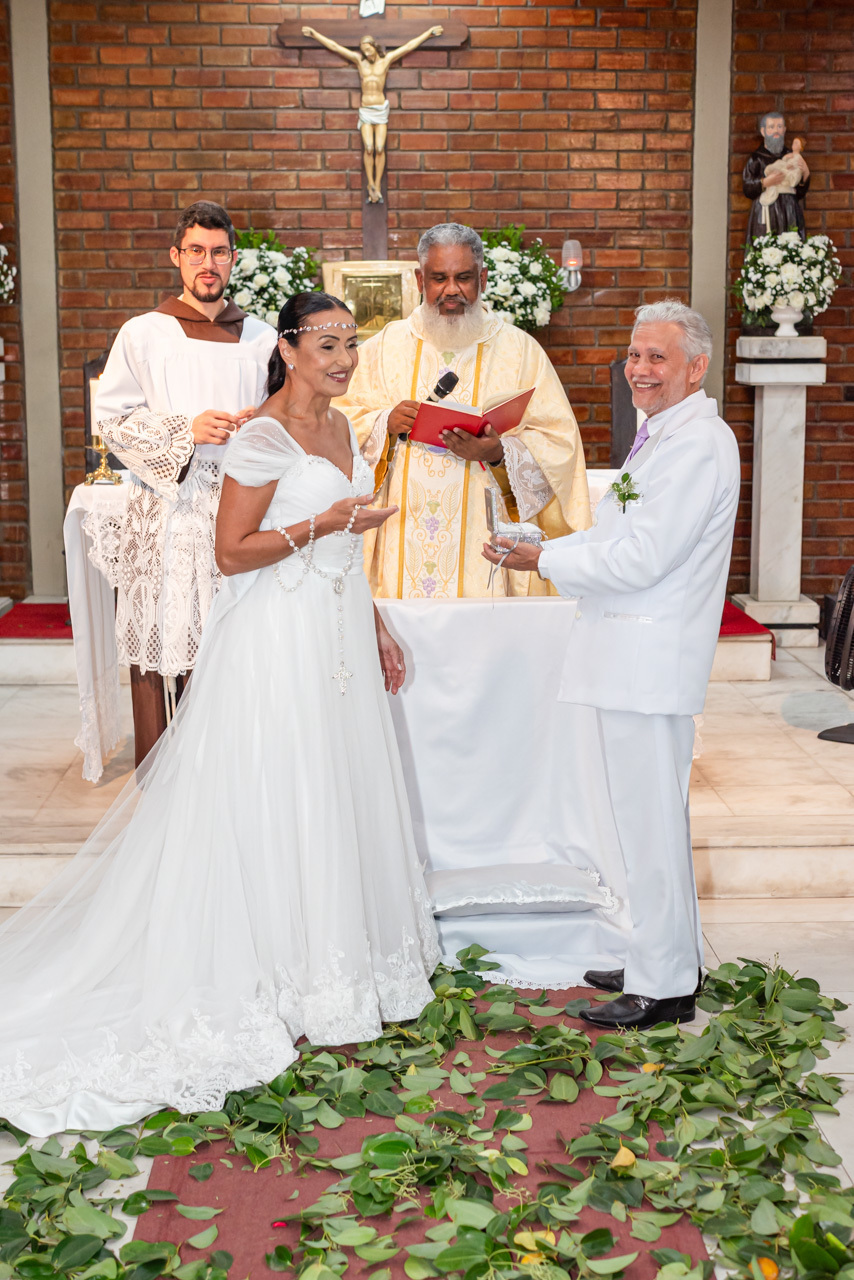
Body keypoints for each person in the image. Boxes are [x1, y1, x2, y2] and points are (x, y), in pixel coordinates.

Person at [0, 292, 439, 1137]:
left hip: (338, 628)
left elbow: (349, 542)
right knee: (286, 788)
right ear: (289, 347)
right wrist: (322, 521)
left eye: (353, 344)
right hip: (276, 638)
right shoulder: (260, 435)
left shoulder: (346, 431)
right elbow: (231, 554)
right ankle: (281, 970)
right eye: (327, 344)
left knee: (338, 786)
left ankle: (338, 965)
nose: (344, 359)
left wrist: (376, 621)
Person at [484, 300, 740, 1030]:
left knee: (652, 821)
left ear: (696, 366)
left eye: (657, 358)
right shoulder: (660, 437)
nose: (639, 369)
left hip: (650, 655)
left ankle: (663, 987)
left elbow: (645, 558)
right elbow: (622, 530)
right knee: (640, 820)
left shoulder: (697, 445)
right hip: (628, 651)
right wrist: (554, 545)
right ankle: (662, 955)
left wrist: (546, 557)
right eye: (633, 355)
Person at [89, 200, 277, 766]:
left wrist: (255, 427)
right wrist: (184, 430)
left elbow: (283, 419)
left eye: (218, 252)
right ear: (177, 257)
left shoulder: (263, 338)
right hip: (171, 507)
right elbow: (112, 418)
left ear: (233, 259)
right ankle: (161, 777)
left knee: (233, 641)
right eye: (195, 251)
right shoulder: (145, 333)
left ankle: (231, 772)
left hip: (241, 509)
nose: (208, 263)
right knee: (166, 640)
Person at [335, 223, 591, 598]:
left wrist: (500, 451)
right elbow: (336, 418)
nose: (451, 290)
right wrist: (382, 423)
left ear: (483, 278)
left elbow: (559, 444)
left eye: (463, 277)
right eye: (439, 278)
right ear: (420, 279)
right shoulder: (384, 347)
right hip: (400, 534)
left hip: (482, 543)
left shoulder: (521, 352)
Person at [300, 27, 443, 203]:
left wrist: (428, 33)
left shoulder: (386, 60)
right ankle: (370, 184)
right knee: (369, 147)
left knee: (379, 148)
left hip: (380, 110)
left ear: (374, 47)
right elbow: (335, 46)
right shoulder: (360, 61)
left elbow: (408, 46)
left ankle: (377, 184)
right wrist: (314, 33)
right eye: (363, 50)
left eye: (368, 49)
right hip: (366, 110)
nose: (366, 53)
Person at [743, 111, 810, 242]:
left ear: (784, 130)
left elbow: (800, 192)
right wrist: (765, 182)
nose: (776, 131)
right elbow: (747, 187)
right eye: (771, 127)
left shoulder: (792, 157)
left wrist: (806, 173)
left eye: (779, 127)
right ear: (763, 131)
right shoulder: (756, 158)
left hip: (789, 209)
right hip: (765, 210)